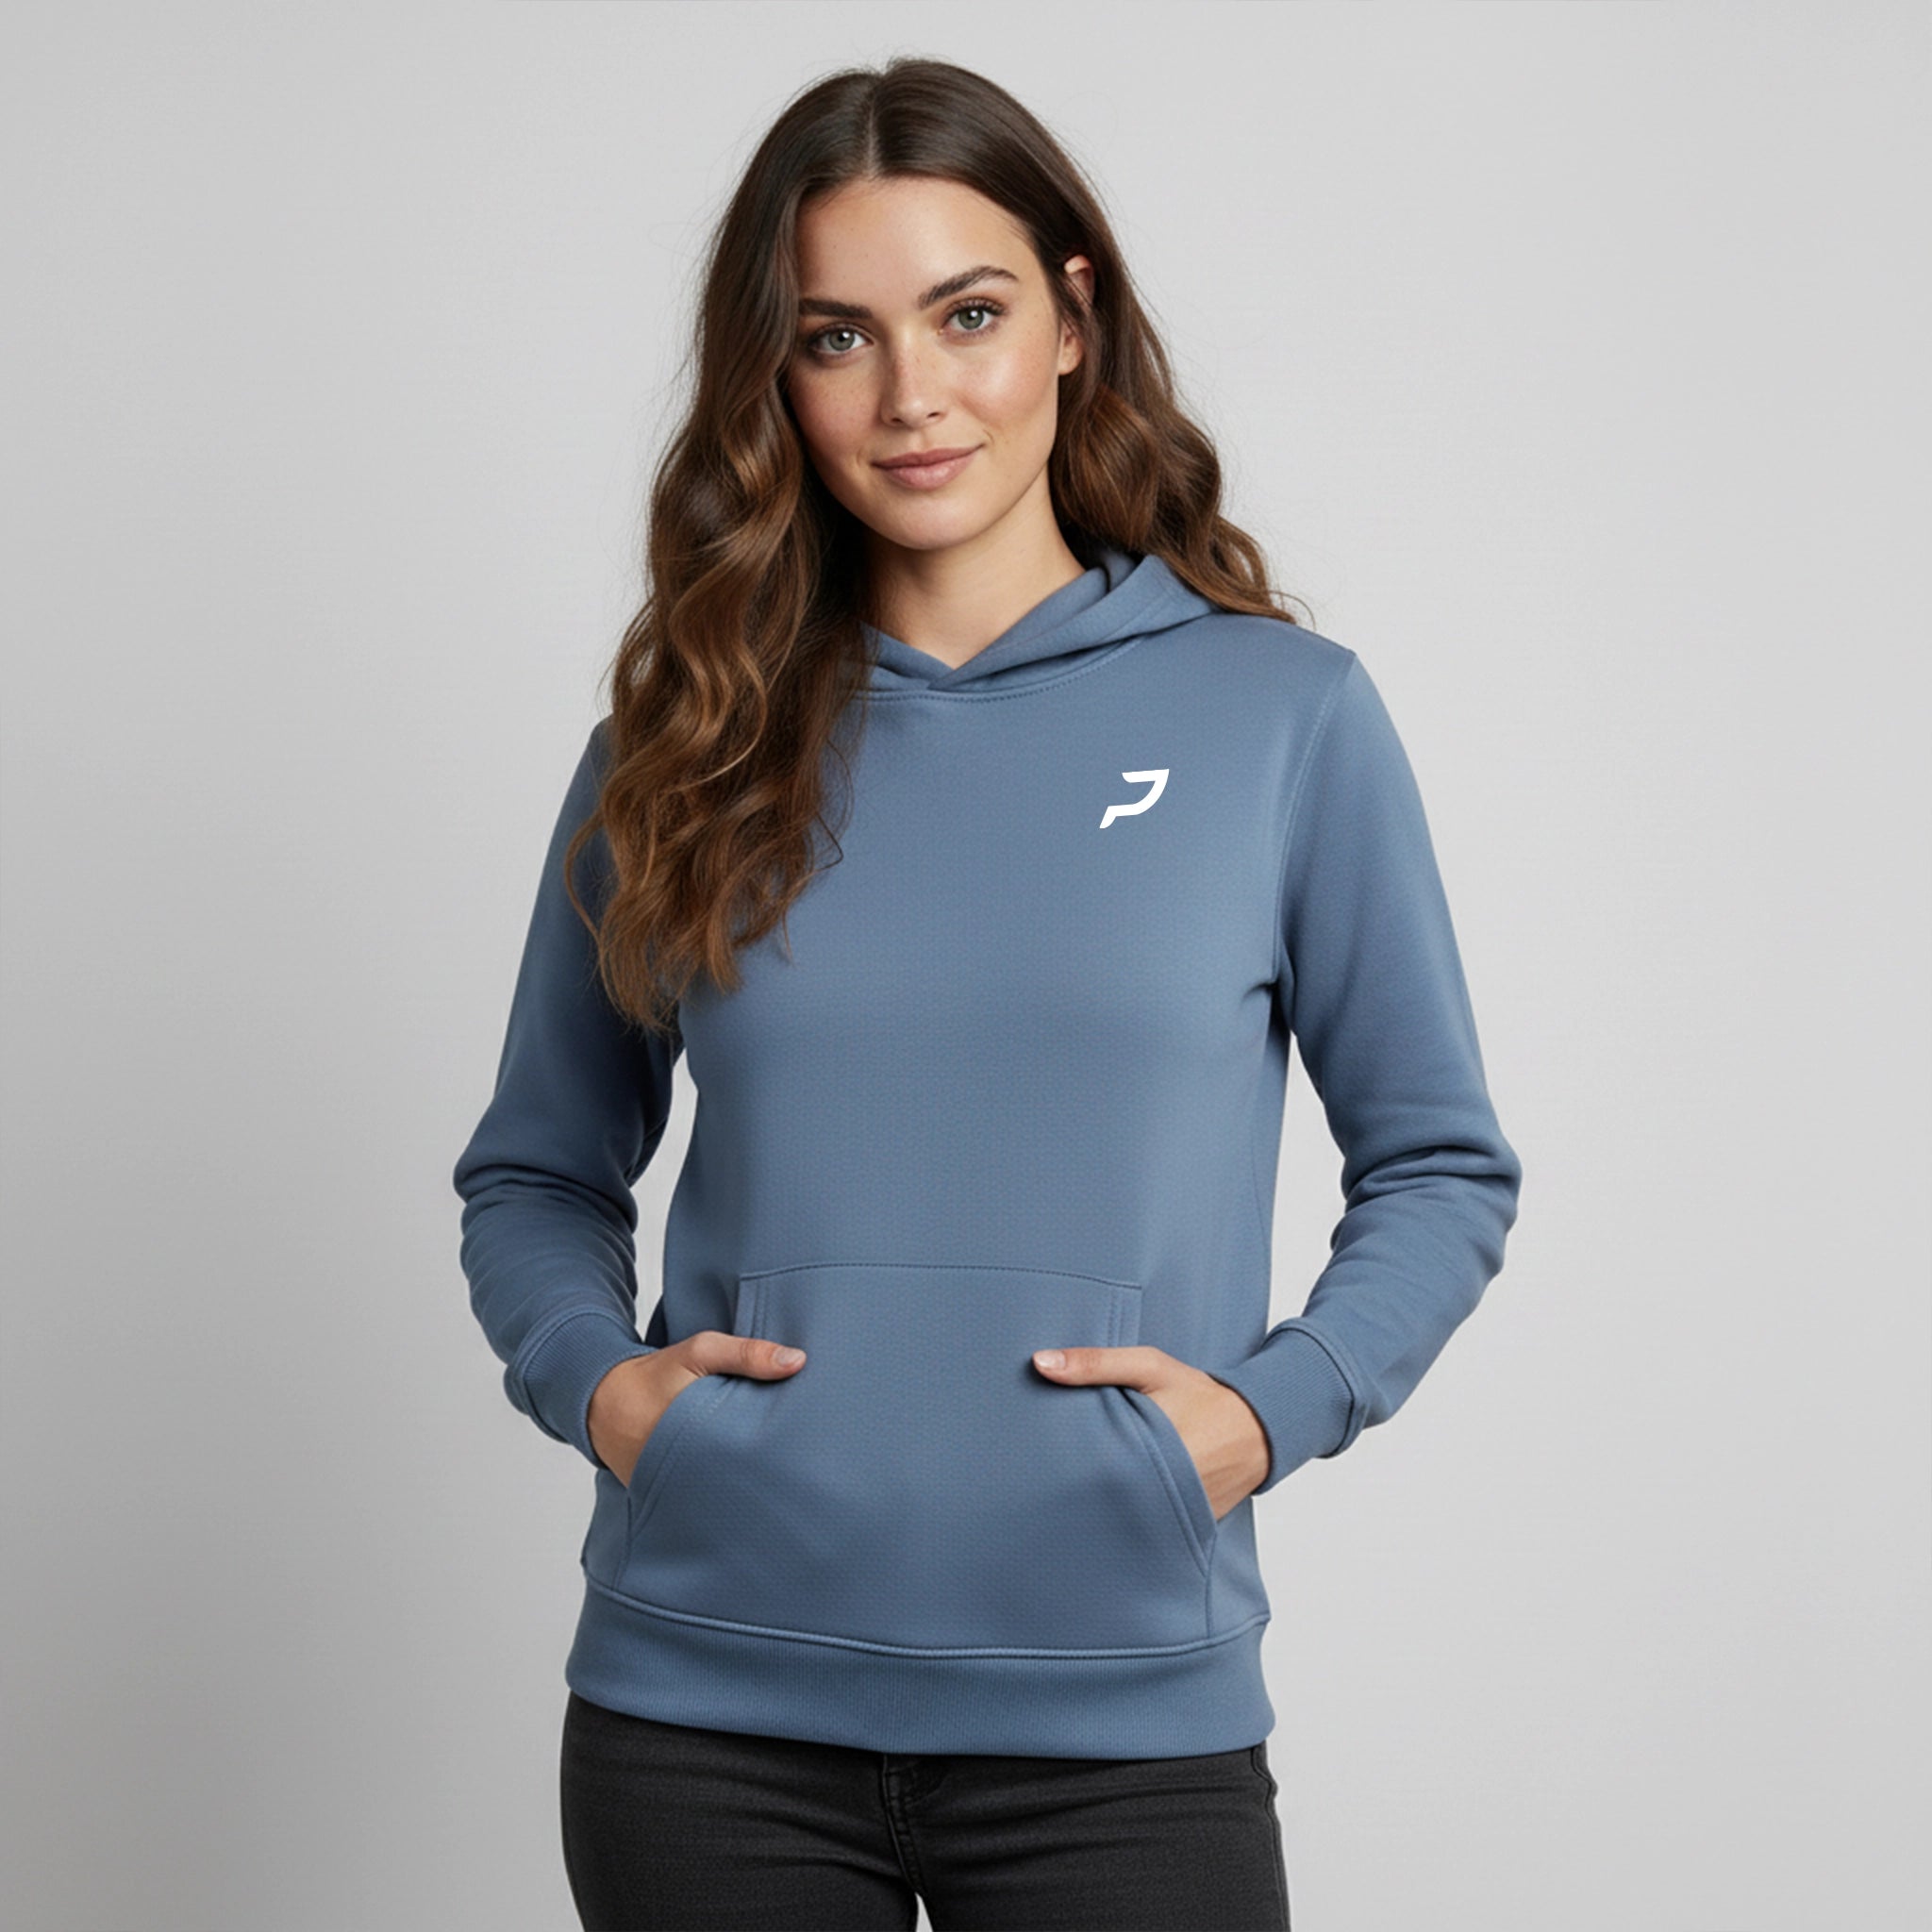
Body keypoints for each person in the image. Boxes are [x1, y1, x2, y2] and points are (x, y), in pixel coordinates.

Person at [452, 54, 1523, 1932]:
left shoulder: (1280, 719)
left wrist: (1268, 1413)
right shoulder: (683, 741)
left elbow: (1440, 1164)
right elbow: (536, 1171)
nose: (911, 395)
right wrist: (606, 1391)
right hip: (705, 1721)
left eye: (967, 314)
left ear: (1071, 321)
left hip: (1120, 1717)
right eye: (836, 337)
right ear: (775, 378)